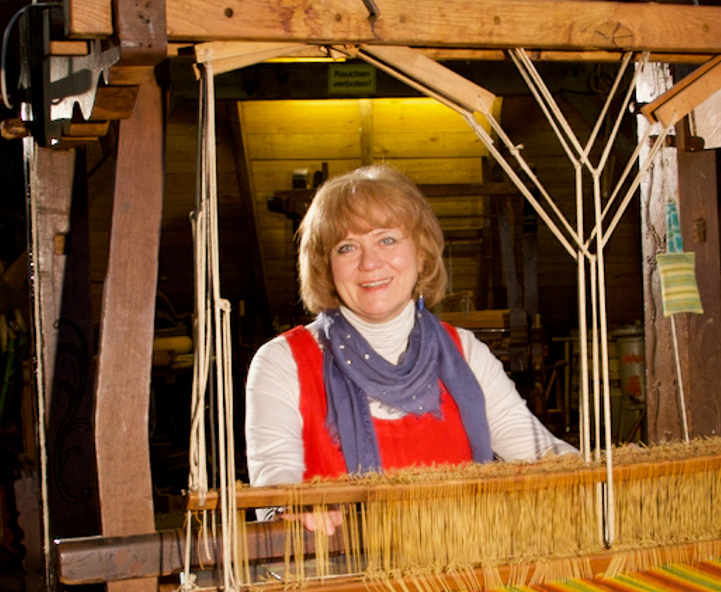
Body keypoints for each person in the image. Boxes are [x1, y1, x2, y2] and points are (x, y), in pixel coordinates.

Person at [244, 165, 573, 529]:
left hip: (458, 578)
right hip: (338, 581)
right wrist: (297, 510)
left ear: (421, 253)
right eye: (347, 247)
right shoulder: (282, 362)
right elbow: (275, 488)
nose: (370, 263)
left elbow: (541, 454)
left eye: (387, 240)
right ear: (326, 266)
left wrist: (609, 477)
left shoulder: (465, 352)